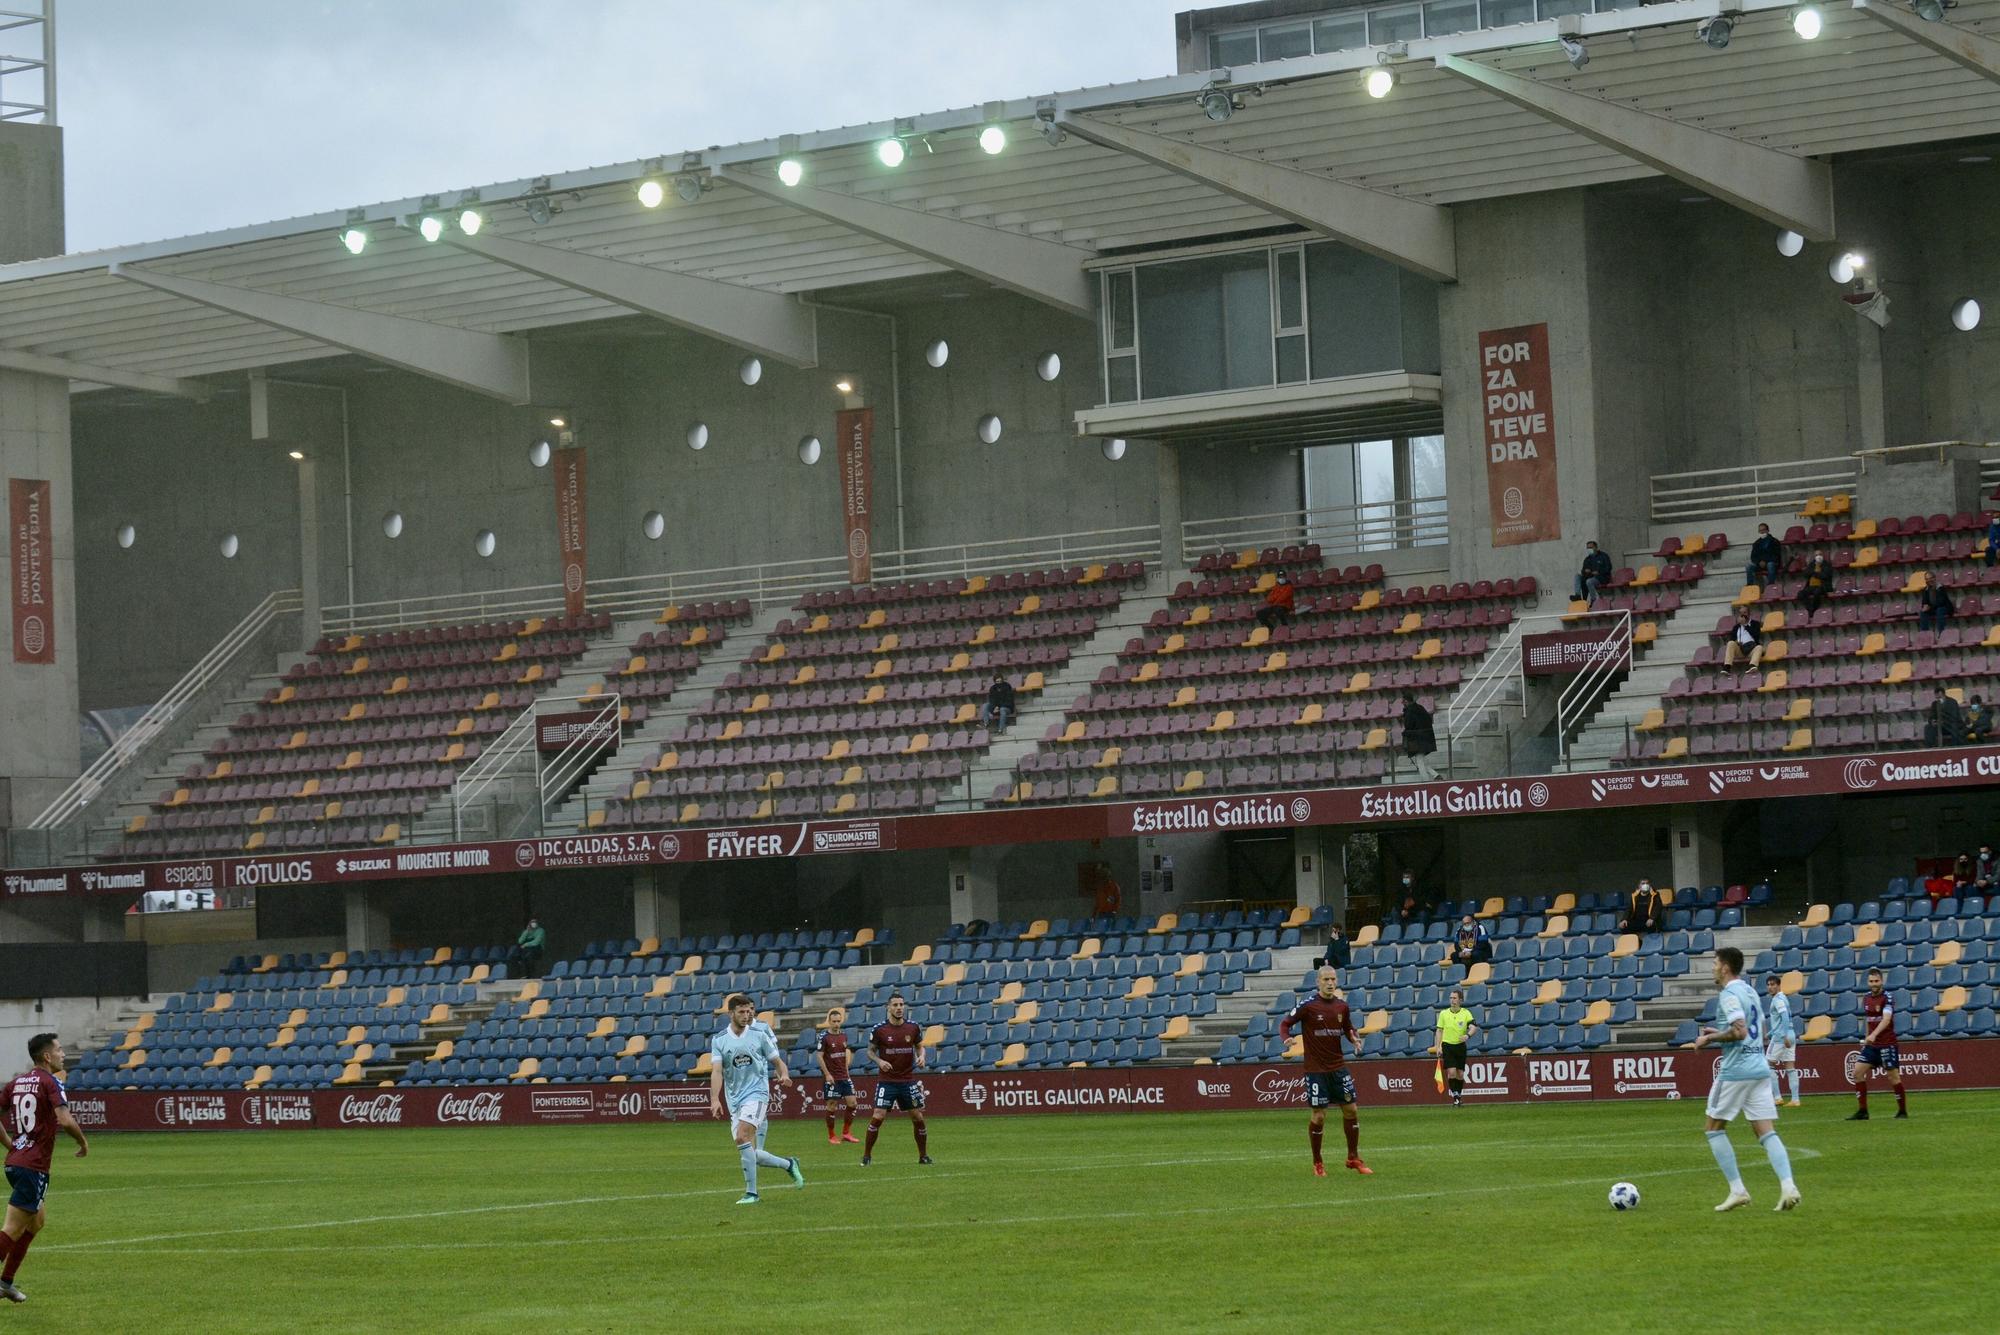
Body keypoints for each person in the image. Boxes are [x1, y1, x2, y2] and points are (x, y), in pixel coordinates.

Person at [1689, 949, 1800, 1212]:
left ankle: (1738, 1190)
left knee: (1714, 1128)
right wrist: (1722, 1032)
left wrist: (1709, 1039)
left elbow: (1739, 1031)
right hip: (1759, 1068)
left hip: (1736, 1071)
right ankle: (1788, 1186)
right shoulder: (1750, 992)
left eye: (1716, 963)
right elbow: (1752, 1031)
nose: (1713, 968)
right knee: (1766, 1130)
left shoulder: (1728, 994)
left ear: (1726, 967)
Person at [1, 1034, 89, 1304]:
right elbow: (64, 1119)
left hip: (17, 1164)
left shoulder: (16, 1082)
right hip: (33, 1167)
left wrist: (11, 1146)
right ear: (47, 1056)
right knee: (12, 1229)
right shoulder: (51, 1082)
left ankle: (6, 1283)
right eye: (59, 1050)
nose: (63, 1054)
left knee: (36, 1221)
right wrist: (82, 1141)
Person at [707, 994, 804, 1206]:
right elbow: (716, 1071)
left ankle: (752, 1193)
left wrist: (784, 1074)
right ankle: (789, 1164)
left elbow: (777, 1061)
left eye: (749, 1011)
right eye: (741, 1011)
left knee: (742, 1137)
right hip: (734, 1101)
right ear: (730, 1013)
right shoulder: (719, 1039)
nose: (747, 1014)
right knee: (750, 1152)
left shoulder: (760, 1033)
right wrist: (715, 1100)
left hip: (757, 1094)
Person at [1278, 964, 1370, 1177]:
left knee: (1352, 1110)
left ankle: (1353, 1157)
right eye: (1326, 979)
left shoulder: (1342, 1006)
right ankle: (1318, 1162)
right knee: (1319, 1116)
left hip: (1338, 1067)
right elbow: (1285, 1024)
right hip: (1316, 1070)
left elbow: (1347, 1027)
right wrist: (1287, 1038)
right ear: (1318, 982)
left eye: (1333, 979)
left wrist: (1354, 1038)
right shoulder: (1308, 1006)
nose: (1330, 983)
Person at [862, 993, 931, 1166]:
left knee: (918, 1117)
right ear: (888, 1007)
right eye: (895, 1005)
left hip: (908, 1081)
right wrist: (879, 1061)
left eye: (901, 1004)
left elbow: (920, 1047)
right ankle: (866, 1156)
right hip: (887, 1081)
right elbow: (870, 1051)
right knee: (878, 1115)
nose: (899, 1008)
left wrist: (921, 1057)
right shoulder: (879, 1030)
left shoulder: (913, 1028)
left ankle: (923, 1156)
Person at [1846, 967, 1908, 1121]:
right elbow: (1869, 1020)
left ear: (1881, 981)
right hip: (1872, 1046)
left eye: (1876, 981)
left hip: (1887, 1044)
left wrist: (1874, 1034)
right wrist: (1867, 1038)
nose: (1873, 984)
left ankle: (1902, 1111)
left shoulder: (1888, 998)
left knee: (1893, 1077)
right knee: (1857, 1073)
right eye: (1871, 981)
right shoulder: (1866, 998)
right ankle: (1863, 1111)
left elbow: (1886, 1020)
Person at [814, 1006, 861, 1146]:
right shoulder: (824, 1037)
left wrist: (847, 1069)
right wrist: (827, 1074)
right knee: (832, 1105)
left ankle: (846, 1133)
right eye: (833, 1021)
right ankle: (832, 1135)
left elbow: (845, 1053)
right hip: (832, 1077)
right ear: (829, 1021)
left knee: (853, 1103)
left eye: (838, 1021)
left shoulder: (844, 1035)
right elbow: (819, 1056)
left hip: (844, 1076)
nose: (836, 1024)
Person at [1431, 989, 1478, 1108]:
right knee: (1451, 1072)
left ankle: (1458, 1096)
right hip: (1447, 1045)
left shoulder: (1466, 1013)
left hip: (1460, 1046)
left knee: (1460, 1074)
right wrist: (1438, 1046)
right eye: (1451, 998)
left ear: (1460, 1000)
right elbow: (1439, 1030)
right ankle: (1456, 1097)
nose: (1452, 1000)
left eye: (1455, 998)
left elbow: (1473, 1027)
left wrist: (1467, 1035)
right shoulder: (1443, 1014)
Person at [1763, 974, 1801, 1109]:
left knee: (1768, 1065)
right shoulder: (1783, 997)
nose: (1770, 987)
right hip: (1791, 1034)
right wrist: (1769, 1033)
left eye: (1773, 984)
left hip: (1781, 1037)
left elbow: (1784, 1017)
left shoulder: (1777, 1000)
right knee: (1790, 1067)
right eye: (1768, 984)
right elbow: (1781, 1021)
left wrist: (1782, 1035)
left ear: (1778, 985)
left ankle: (1778, 1097)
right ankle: (1795, 1099)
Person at [1401, 692, 1439, 782]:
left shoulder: (1409, 711)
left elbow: (1408, 726)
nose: (1403, 703)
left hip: (1417, 740)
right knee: (1421, 759)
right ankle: (1436, 775)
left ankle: (1425, 781)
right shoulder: (1420, 708)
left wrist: (1405, 734)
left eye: (1403, 701)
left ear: (1406, 701)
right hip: (1427, 738)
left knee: (1420, 761)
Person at [1723, 607, 1763, 673]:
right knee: (1730, 643)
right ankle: (1727, 666)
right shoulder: (1736, 627)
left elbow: (1756, 636)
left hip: (1751, 649)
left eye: (1744, 612)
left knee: (1759, 647)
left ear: (1749, 614)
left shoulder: (1755, 624)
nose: (1743, 615)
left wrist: (1745, 625)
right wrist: (1737, 642)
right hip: (1740, 650)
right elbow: (1732, 639)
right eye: (1741, 613)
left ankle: (1752, 665)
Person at [1450, 914, 1491, 979]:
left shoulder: (1480, 928)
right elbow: (1456, 944)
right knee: (1454, 955)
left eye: (1468, 923)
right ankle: (1460, 977)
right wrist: (1460, 952)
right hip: (1464, 952)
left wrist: (1471, 952)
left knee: (1476, 954)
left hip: (1480, 951)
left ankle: (1478, 975)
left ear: (1473, 922)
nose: (1466, 925)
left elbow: (1483, 943)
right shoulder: (1459, 930)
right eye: (1464, 923)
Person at [1573, 540, 1612, 606]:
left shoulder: (1603, 556)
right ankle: (1578, 595)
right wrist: (1585, 571)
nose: (1589, 549)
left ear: (1596, 547)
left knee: (1589, 581)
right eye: (1588, 548)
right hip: (1589, 577)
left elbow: (1609, 568)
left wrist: (1599, 572)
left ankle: (1593, 600)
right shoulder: (1587, 559)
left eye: (1591, 547)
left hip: (1601, 577)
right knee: (1577, 576)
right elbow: (1583, 571)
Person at [1745, 523, 1784, 588]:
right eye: (1760, 530)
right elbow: (1753, 557)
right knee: (1748, 566)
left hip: (1772, 562)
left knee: (1770, 565)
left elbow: (1776, 555)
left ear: (1768, 530)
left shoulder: (1774, 541)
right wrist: (1759, 561)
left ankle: (1770, 585)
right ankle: (1750, 586)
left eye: (1763, 530)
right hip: (1759, 564)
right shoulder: (1756, 543)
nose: (1762, 532)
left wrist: (1765, 561)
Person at [1797, 552, 1833, 619]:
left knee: (1817, 593)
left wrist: (1813, 573)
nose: (1818, 556)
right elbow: (1805, 573)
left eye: (1820, 554)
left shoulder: (1827, 565)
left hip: (1822, 586)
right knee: (1800, 594)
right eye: (1816, 555)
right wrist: (1814, 573)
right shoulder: (1812, 564)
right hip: (1811, 586)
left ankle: (1813, 609)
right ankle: (1810, 608)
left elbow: (1825, 576)